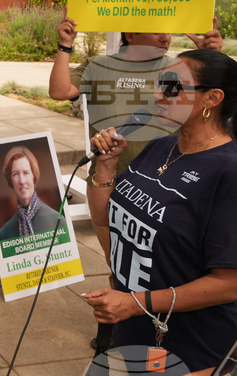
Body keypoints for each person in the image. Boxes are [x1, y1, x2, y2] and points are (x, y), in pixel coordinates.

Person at [81, 49, 237, 376]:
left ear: (212, 99)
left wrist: (136, 303)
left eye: (171, 87)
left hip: (190, 350)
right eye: (158, 84)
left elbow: (232, 284)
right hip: (132, 336)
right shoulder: (160, 146)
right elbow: (105, 216)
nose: (156, 95)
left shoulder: (233, 175)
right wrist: (106, 165)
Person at [48, 16, 223, 264]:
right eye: (156, 31)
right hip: (109, 179)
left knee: (159, 266)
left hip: (164, 184)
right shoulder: (99, 64)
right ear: (130, 35)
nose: (165, 38)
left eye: (169, 32)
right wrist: (65, 45)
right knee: (117, 265)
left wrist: (209, 59)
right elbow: (59, 91)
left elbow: (212, 104)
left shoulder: (178, 68)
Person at [0, 145, 60, 241]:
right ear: (10, 180)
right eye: (16, 174)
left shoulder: (57, 221)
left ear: (34, 177)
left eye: (26, 173)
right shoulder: (5, 232)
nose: (22, 181)